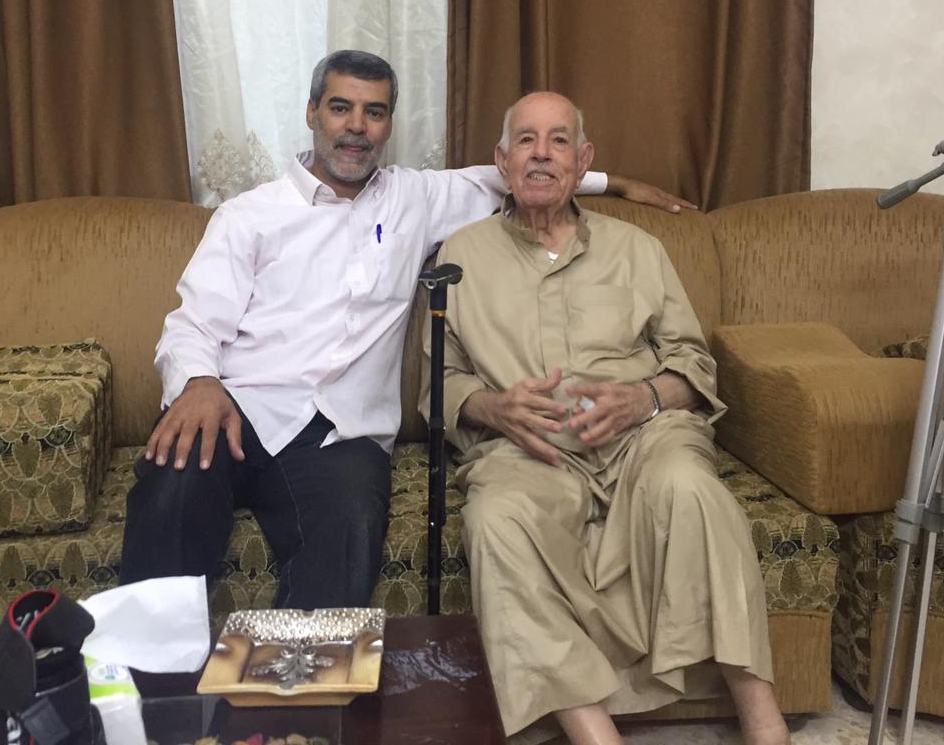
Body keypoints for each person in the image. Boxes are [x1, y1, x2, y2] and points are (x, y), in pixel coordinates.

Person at [119, 50, 689, 610]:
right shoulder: (249, 215)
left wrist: (615, 183)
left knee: (348, 536)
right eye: (340, 108)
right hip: (241, 408)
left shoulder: (413, 198)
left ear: (389, 124)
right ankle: (147, 667)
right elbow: (194, 321)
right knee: (172, 484)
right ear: (312, 112)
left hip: (343, 435)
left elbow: (519, 173)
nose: (357, 126)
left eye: (375, 112)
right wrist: (199, 383)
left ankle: (298, 674)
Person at [422, 91, 788, 745]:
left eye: (558, 140)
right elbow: (438, 380)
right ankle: (594, 732)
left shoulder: (638, 249)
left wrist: (644, 398)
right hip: (527, 447)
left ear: (583, 159)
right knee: (495, 520)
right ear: (502, 162)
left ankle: (764, 719)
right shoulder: (460, 255)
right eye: (526, 141)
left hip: (644, 435)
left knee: (691, 491)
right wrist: (493, 407)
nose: (541, 154)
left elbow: (692, 363)